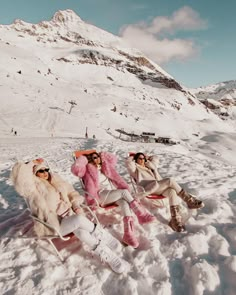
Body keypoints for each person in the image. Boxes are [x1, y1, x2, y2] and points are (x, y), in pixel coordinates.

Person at [10, 158, 127, 274]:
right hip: (53, 224)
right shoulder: (33, 189)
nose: (45, 173)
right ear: (34, 174)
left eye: (46, 170)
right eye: (41, 171)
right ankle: (103, 235)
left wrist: (76, 205)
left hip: (70, 216)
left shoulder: (56, 181)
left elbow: (72, 193)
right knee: (79, 219)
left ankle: (109, 255)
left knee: (81, 232)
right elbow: (21, 181)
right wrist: (32, 164)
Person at [71, 151, 156, 248]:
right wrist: (83, 158)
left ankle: (128, 234)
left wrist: (103, 155)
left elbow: (113, 159)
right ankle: (141, 214)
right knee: (124, 192)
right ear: (90, 160)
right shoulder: (87, 170)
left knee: (124, 202)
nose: (97, 159)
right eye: (94, 157)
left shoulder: (105, 167)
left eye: (98, 156)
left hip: (111, 194)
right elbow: (77, 170)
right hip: (99, 196)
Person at [126, 152, 205, 233]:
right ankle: (189, 200)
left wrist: (147, 156)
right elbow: (128, 163)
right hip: (148, 189)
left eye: (143, 158)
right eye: (140, 158)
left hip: (158, 187)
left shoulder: (149, 166)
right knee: (170, 180)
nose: (142, 160)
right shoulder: (135, 169)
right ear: (136, 160)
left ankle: (175, 221)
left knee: (172, 191)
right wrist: (131, 156)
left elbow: (156, 158)